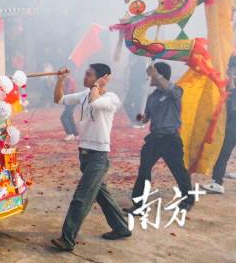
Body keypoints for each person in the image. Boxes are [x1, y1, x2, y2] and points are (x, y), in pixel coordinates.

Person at [51, 63, 131, 251]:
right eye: (85, 74)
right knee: (102, 195)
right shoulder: (84, 95)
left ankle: (67, 239)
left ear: (103, 78)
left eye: (89, 75)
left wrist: (97, 85)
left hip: (99, 156)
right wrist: (60, 80)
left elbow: (96, 102)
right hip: (85, 154)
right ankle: (121, 228)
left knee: (82, 197)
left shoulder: (112, 98)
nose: (84, 77)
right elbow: (59, 99)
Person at [124, 63, 194, 212]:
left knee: (178, 170)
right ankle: (139, 204)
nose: (149, 78)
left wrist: (156, 75)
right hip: (154, 139)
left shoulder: (176, 91)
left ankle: (188, 200)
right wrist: (141, 117)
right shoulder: (151, 97)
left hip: (170, 139)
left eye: (151, 75)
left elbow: (169, 88)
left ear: (159, 74)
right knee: (144, 170)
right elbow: (146, 118)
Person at [203, 56, 236, 193]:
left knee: (223, 151)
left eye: (230, 66)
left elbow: (233, 104)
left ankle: (217, 182)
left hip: (233, 123)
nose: (228, 68)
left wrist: (231, 80)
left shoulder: (232, 81)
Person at [60, 73, 79, 141]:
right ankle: (76, 134)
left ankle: (70, 134)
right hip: (70, 100)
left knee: (63, 117)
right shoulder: (66, 80)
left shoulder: (69, 80)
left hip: (71, 100)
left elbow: (67, 92)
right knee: (70, 118)